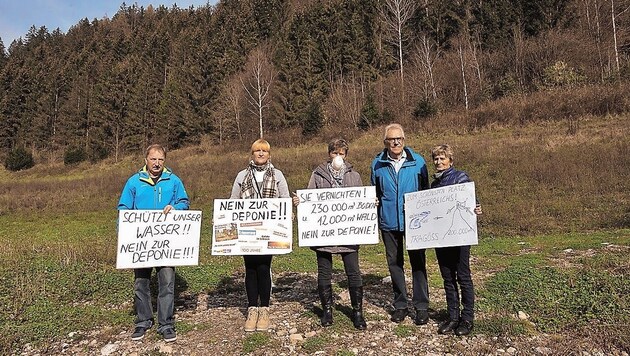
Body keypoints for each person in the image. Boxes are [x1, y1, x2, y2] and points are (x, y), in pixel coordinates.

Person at [292, 138, 367, 330]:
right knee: (324, 271)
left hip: (348, 233)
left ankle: (357, 311)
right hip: (323, 234)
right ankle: (327, 310)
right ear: (329, 154)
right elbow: (309, 196)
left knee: (353, 271)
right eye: (335, 153)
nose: (338, 157)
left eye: (342, 153)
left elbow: (361, 200)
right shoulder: (317, 174)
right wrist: (300, 202)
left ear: (346, 155)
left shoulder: (354, 176)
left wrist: (370, 204)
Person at [117, 144, 190, 342]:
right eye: (153, 159)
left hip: (166, 242)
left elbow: (184, 202)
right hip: (142, 242)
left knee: (167, 281)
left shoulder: (173, 181)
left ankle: (165, 324)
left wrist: (175, 208)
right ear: (145, 160)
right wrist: (126, 234)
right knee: (141, 282)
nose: (157, 163)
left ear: (164, 161)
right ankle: (143, 321)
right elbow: (123, 208)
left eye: (160, 160)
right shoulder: (134, 182)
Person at [370, 123, 430, 325]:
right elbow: (374, 192)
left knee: (418, 264)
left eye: (399, 139)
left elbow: (426, 191)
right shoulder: (377, 164)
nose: (396, 142)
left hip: (415, 222)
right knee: (395, 264)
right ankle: (401, 305)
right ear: (385, 142)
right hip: (389, 221)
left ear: (404, 140)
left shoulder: (418, 162)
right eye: (391, 139)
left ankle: (421, 306)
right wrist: (375, 202)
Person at [230, 138, 290, 332]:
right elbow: (233, 201)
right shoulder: (241, 175)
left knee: (264, 267)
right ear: (252, 153)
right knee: (250, 268)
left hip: (269, 232)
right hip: (247, 232)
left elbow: (285, 199)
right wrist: (223, 219)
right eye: (257, 151)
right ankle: (252, 308)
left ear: (269, 154)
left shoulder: (278, 175)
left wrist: (290, 211)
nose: (261, 154)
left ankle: (264, 308)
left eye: (264, 151)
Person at [430, 144, 482, 336]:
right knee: (447, 278)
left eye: (442, 158)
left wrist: (477, 207)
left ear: (450, 160)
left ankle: (467, 319)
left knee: (463, 276)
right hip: (442, 238)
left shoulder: (461, 177)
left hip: (460, 236)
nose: (439, 162)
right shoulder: (433, 184)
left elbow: (472, 201)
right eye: (436, 158)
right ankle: (453, 316)